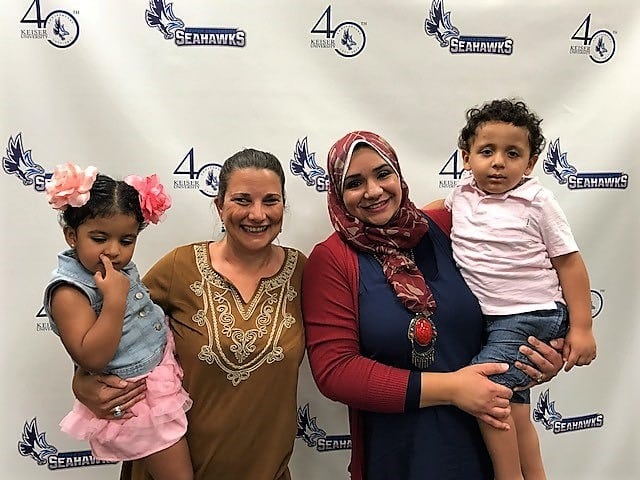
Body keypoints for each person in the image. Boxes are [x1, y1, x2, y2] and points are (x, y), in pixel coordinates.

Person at [302, 130, 565, 480]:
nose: (374, 191)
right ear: (337, 192)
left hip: (489, 448)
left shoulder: (449, 228)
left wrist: (539, 354)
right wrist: (453, 389)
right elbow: (336, 371)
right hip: (402, 457)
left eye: (383, 174)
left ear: (398, 174)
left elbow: (521, 287)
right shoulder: (333, 260)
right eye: (354, 183)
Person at [71, 149, 306, 480]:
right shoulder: (180, 267)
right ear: (220, 206)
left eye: (271, 200)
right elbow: (109, 321)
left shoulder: (303, 272)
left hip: (265, 468)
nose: (257, 214)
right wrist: (83, 380)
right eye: (242, 200)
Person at [443, 99, 596, 479]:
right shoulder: (460, 195)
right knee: (514, 408)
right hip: (493, 320)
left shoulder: (537, 202)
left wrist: (582, 328)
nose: (498, 162)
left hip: (533, 313)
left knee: (485, 389)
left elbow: (569, 263)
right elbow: (433, 213)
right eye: (487, 151)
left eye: (513, 154)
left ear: (530, 164)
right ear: (465, 157)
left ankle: (507, 476)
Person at [43, 163, 192, 480]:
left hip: (159, 369)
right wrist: (113, 300)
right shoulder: (69, 292)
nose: (113, 251)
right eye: (99, 238)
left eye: (126, 241)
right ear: (72, 235)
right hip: (137, 394)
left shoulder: (110, 271)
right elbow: (92, 357)